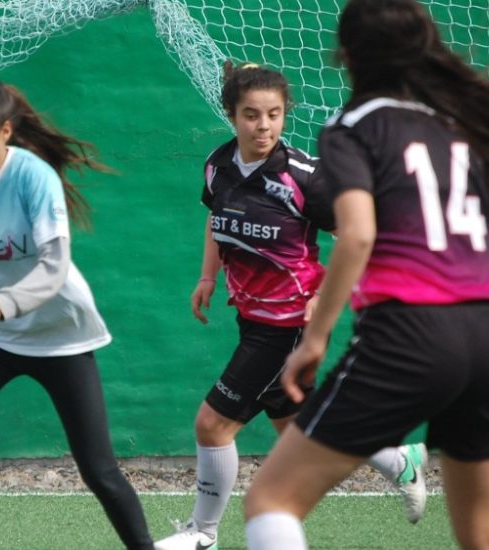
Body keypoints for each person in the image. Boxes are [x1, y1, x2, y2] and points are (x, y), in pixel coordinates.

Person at [242, 1, 489, 548]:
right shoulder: (459, 130)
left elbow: (357, 235)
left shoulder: (353, 127)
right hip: (482, 341)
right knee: (486, 534)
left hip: (405, 335)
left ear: (348, 55)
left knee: (272, 501)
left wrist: (315, 339)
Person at [153, 62, 427, 550]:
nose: (263, 126)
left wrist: (324, 296)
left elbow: (360, 242)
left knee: (212, 424)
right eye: (252, 115)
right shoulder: (217, 166)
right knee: (301, 431)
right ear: (232, 116)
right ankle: (395, 457)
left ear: (284, 116)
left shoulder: (307, 178)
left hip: (286, 326)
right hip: (249, 317)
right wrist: (207, 276)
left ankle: (203, 534)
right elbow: (216, 221)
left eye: (274, 115)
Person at [0, 79, 155, 550]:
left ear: (4, 131)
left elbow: (53, 266)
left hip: (62, 336)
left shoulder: (33, 177)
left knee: (98, 470)